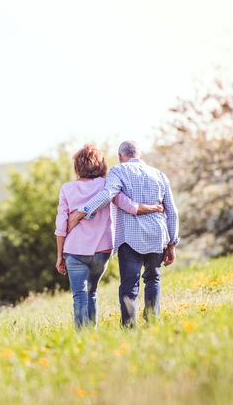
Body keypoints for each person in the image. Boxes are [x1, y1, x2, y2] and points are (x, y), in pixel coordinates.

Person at [69, 140, 179, 328]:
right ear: (139, 155)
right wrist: (172, 243)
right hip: (157, 236)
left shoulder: (118, 171)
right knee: (153, 278)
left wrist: (81, 213)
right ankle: (153, 320)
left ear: (121, 157)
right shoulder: (159, 175)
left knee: (129, 285)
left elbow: (106, 195)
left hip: (130, 238)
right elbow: (172, 211)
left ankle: (129, 326)